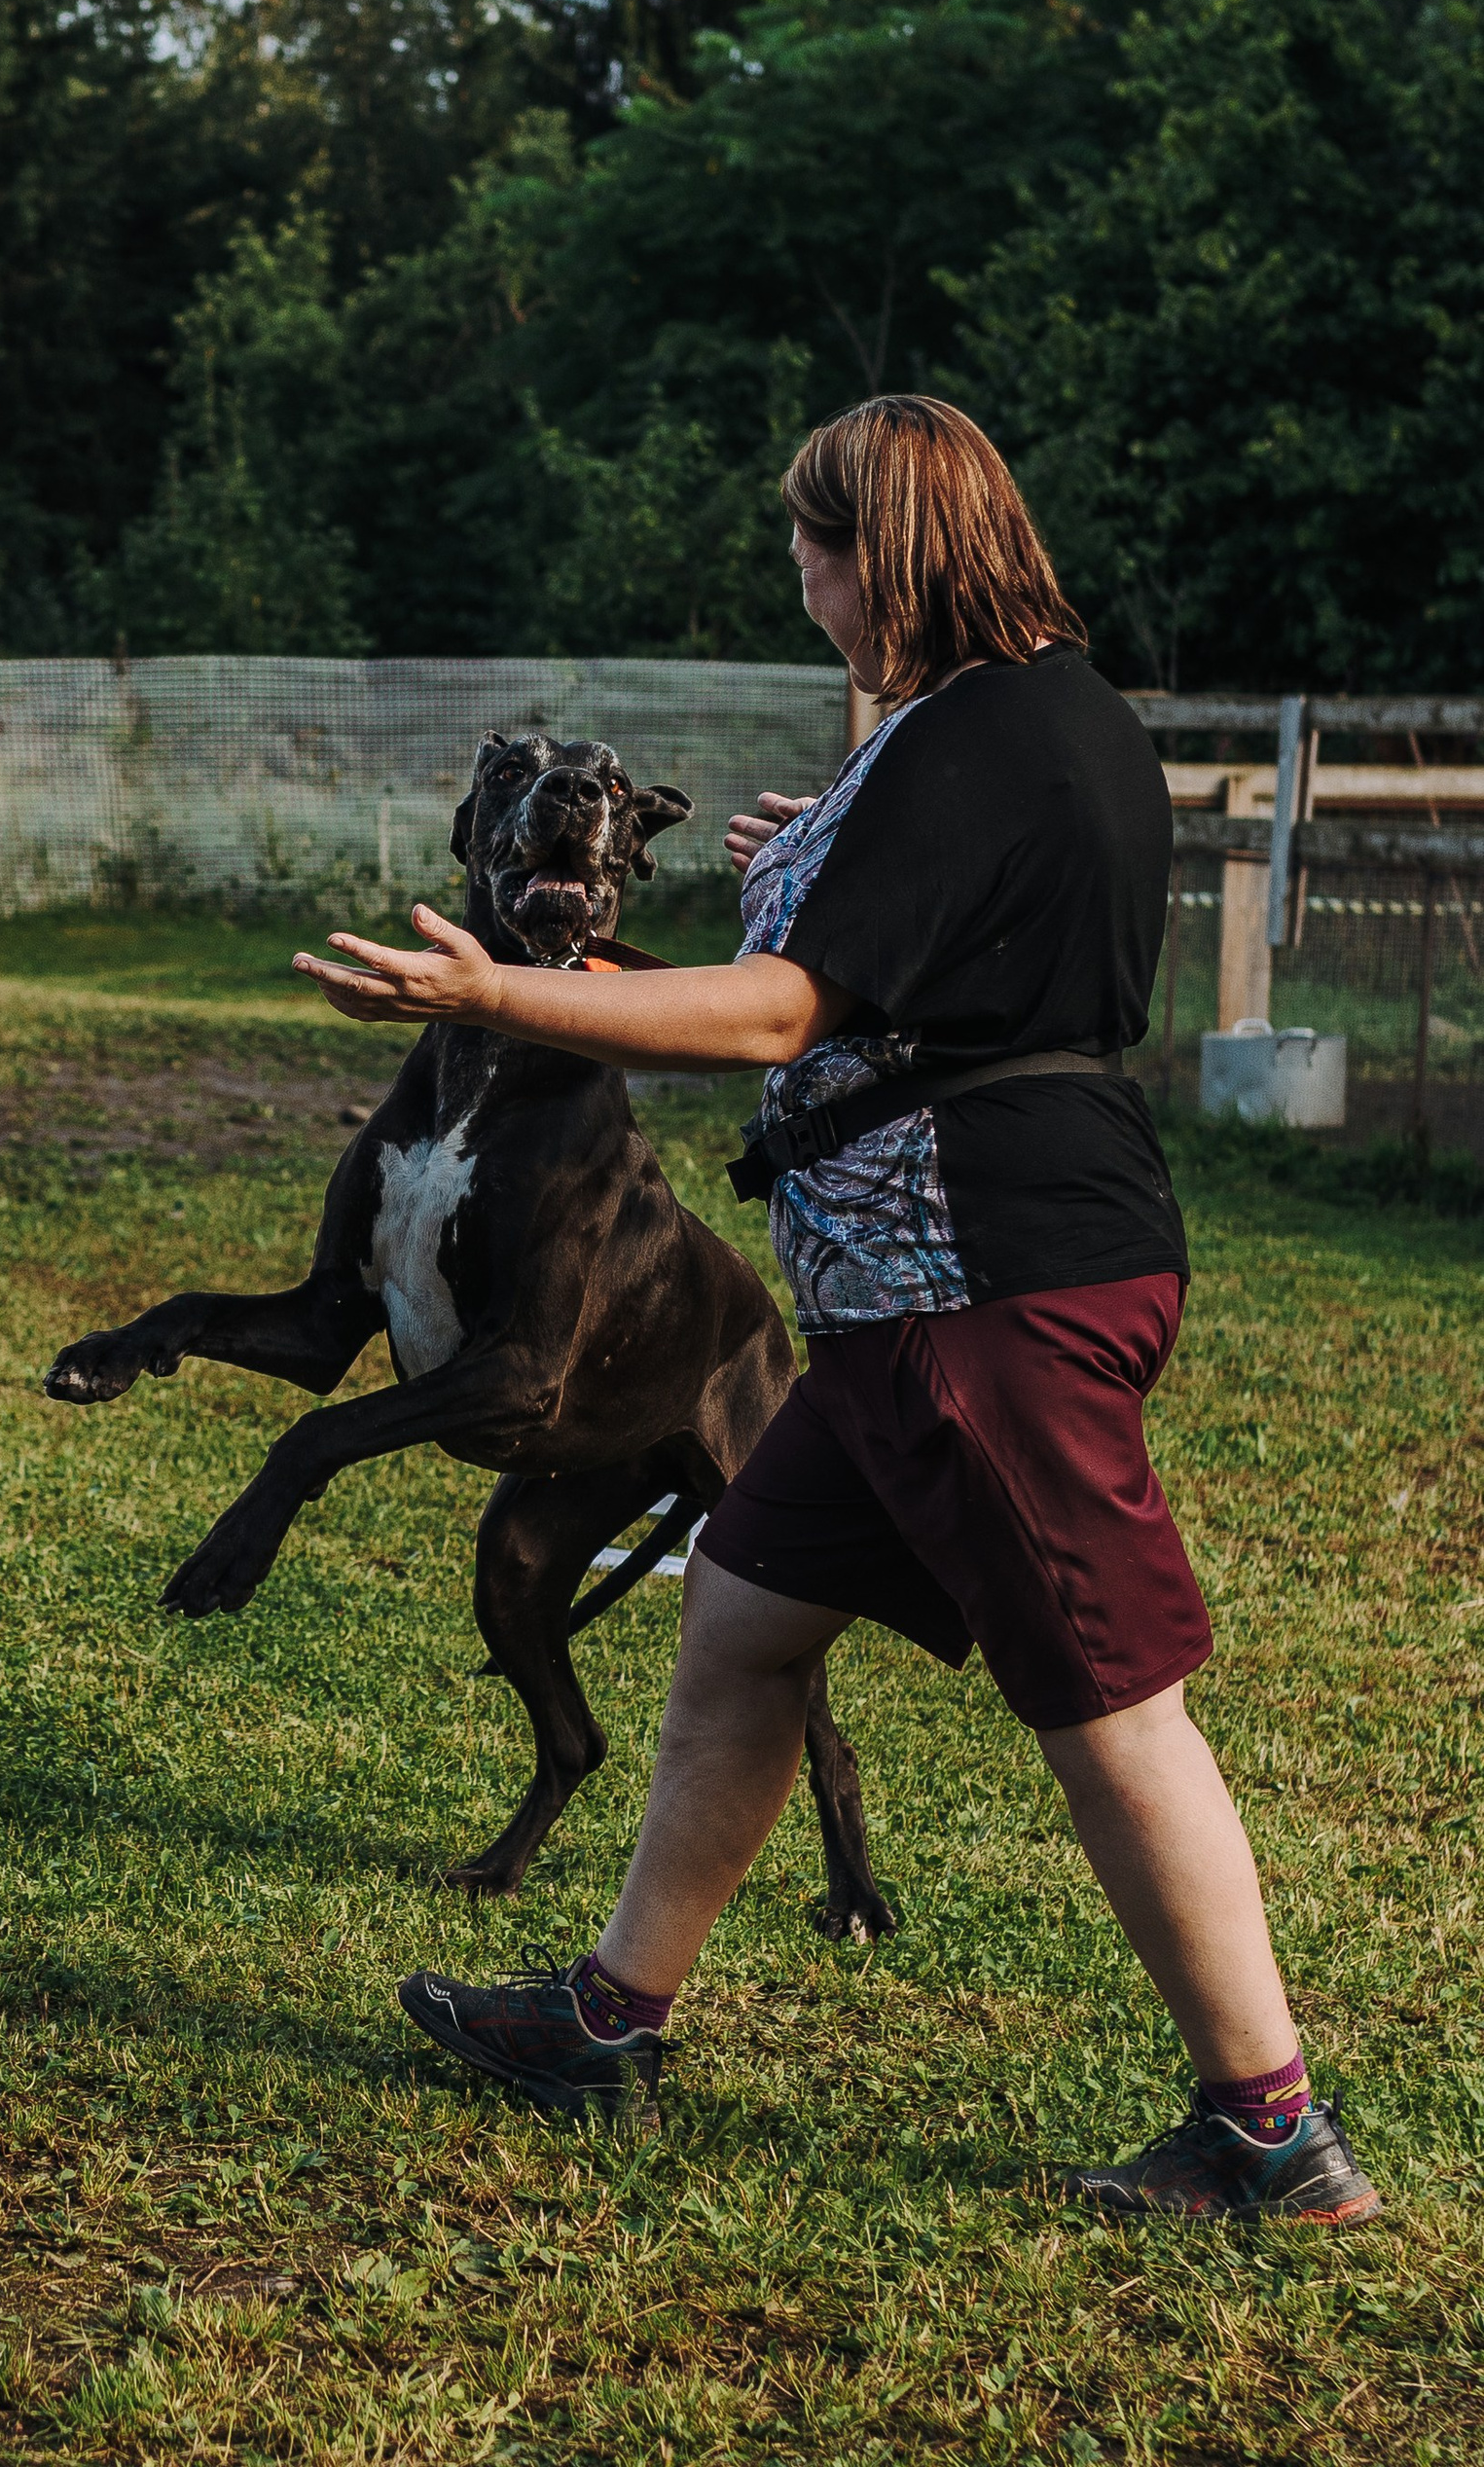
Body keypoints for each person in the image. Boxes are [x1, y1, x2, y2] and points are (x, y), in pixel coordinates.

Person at [293, 395, 1376, 2224]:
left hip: (990, 1294)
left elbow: (780, 1011)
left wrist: (501, 997)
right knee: (739, 1609)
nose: (799, 578)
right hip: (907, 1309)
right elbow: (957, 939)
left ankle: (1271, 2132)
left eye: (813, 543)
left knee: (1113, 1700)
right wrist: (829, 847)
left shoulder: (996, 726)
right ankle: (612, 2017)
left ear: (890, 545)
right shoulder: (1021, 719)